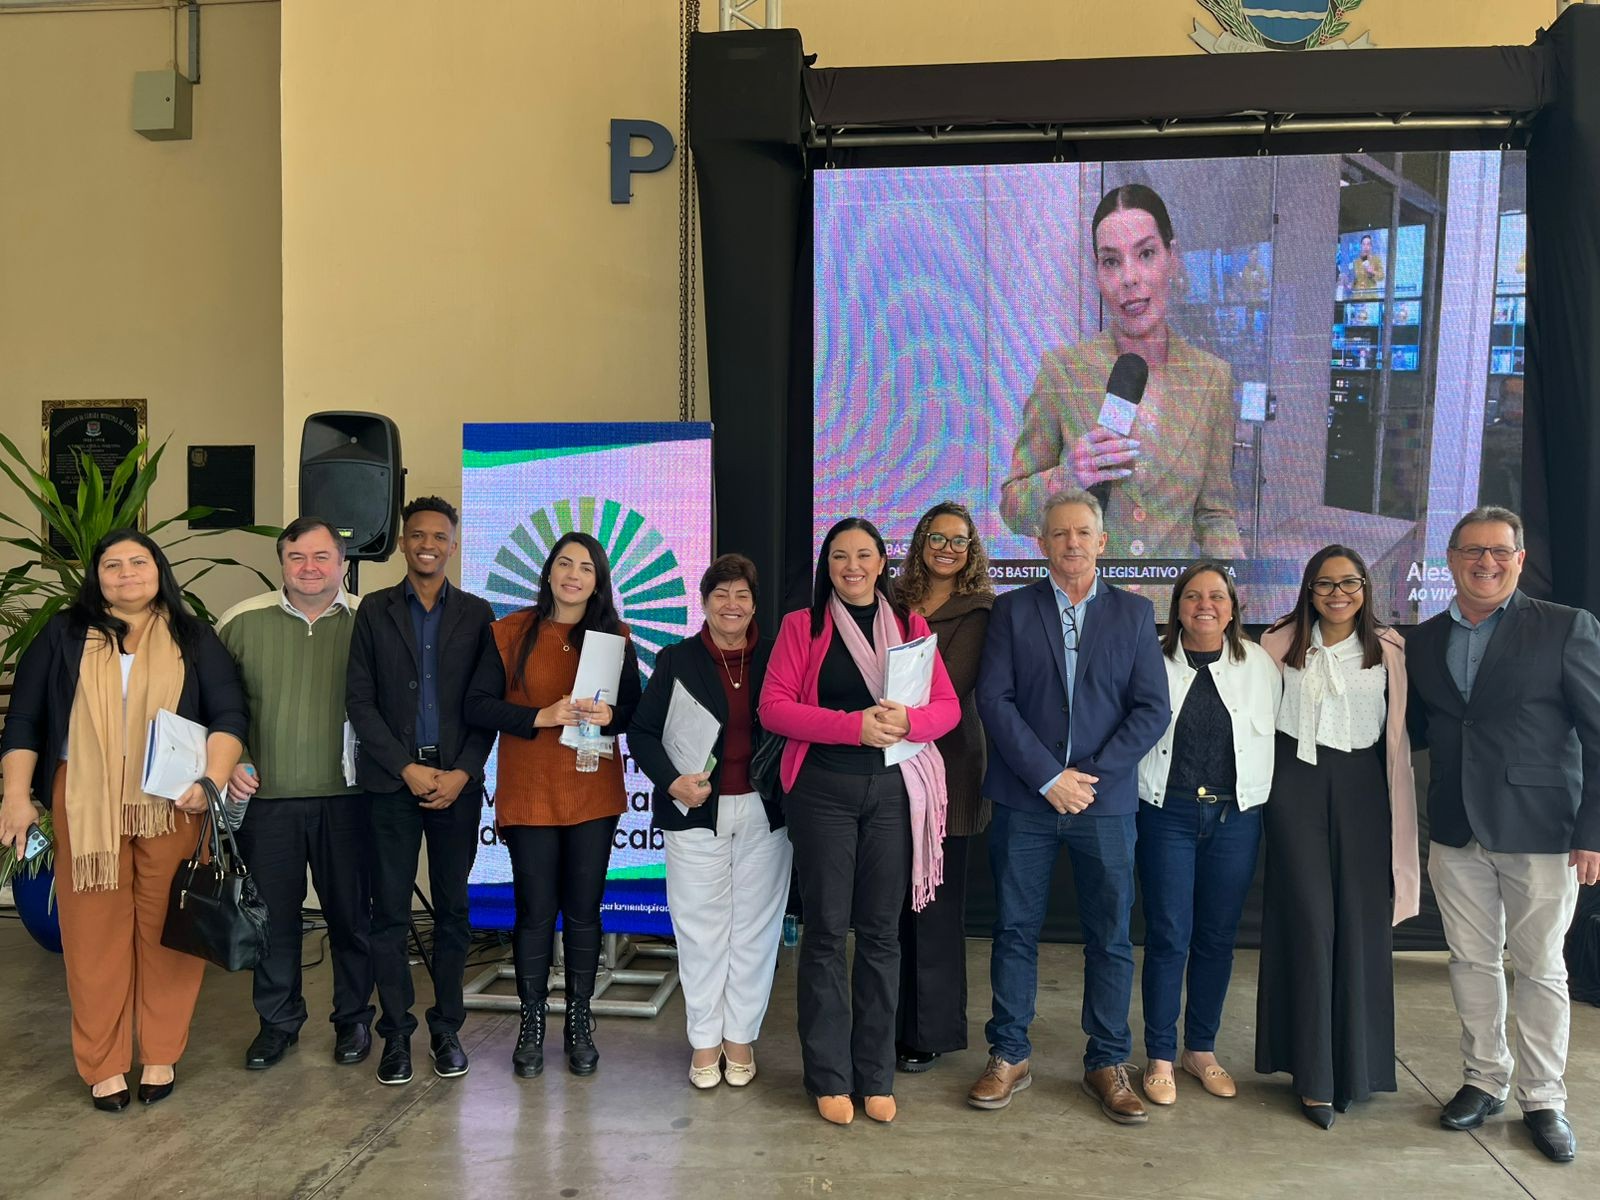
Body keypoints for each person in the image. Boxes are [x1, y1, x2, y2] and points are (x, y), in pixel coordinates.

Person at [0, 529, 247, 1111]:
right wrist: (15, 795)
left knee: (169, 930)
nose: (126, 573)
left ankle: (160, 1052)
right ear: (97, 576)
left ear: (158, 571)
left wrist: (209, 782)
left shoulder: (193, 637)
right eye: (113, 564)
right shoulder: (62, 635)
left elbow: (230, 714)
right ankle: (104, 1064)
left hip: (172, 803)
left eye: (139, 562)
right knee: (92, 937)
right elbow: (26, 719)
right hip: (84, 800)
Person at [1407, 506, 1600, 1164]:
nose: (1484, 562)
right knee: (1470, 961)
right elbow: (1417, 731)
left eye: (1499, 551)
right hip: (1456, 829)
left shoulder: (1565, 629)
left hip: (1543, 832)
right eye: (1470, 551)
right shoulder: (1425, 639)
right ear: (1451, 560)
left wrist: (1593, 831)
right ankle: (1484, 1079)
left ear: (1519, 559)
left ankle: (1544, 1098)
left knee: (1542, 968)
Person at [969, 488, 1168, 1123]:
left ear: (1103, 542)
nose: (1072, 544)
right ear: (1041, 544)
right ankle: (1009, 1054)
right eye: (1059, 534)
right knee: (1014, 929)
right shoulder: (1010, 610)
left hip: (1104, 806)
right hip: (1026, 801)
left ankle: (1108, 1062)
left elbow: (1151, 710)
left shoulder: (1136, 616)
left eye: (1083, 533)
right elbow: (994, 702)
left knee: (1110, 937)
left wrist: (1085, 778)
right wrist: (1048, 777)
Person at [759, 517, 960, 1126]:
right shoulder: (804, 626)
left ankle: (875, 1075)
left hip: (893, 794)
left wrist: (908, 723)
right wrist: (853, 726)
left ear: (881, 564)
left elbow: (946, 708)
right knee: (825, 934)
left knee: (879, 936)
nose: (852, 565)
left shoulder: (913, 628)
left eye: (864, 555)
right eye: (840, 555)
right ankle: (828, 1077)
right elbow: (774, 708)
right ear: (829, 564)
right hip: (823, 792)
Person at [463, 532, 642, 1079]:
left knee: (585, 913)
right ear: (547, 573)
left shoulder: (613, 637)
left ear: (598, 580)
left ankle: (580, 1021)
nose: (573, 575)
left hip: (592, 792)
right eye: (564, 564)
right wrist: (541, 715)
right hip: (532, 793)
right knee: (535, 913)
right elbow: (476, 704)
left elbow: (631, 707)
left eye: (585, 568)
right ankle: (532, 1021)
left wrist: (611, 717)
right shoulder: (509, 633)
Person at [1255, 545, 1417, 1128]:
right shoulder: (1275, 645)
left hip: (1363, 788)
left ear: (1366, 588)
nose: (1337, 594)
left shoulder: (1392, 650)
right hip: (1292, 786)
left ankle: (1357, 1068)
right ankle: (1312, 1075)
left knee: (1359, 924)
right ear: (1308, 589)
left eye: (1349, 583)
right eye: (1325, 584)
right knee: (1310, 920)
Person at [999, 183, 1243, 560]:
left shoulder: (1211, 379)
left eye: (1145, 253)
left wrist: (1231, 579)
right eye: (1111, 261)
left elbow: (1214, 514)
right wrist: (1069, 477)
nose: (1129, 278)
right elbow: (1013, 509)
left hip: (1168, 614)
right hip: (1082, 609)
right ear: (1097, 272)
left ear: (1172, 257)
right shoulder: (1063, 372)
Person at [346, 496, 500, 1086]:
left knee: (455, 912)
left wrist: (462, 772)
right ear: (403, 543)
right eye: (417, 536)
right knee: (388, 912)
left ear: (454, 545)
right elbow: (359, 701)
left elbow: (485, 703)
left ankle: (447, 1029)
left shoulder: (478, 613)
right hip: (391, 784)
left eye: (439, 536)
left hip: (457, 784)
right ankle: (396, 1036)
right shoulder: (374, 611)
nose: (428, 544)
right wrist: (406, 767)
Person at [628, 553, 790, 1089]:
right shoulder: (676, 659)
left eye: (742, 594)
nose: (732, 604)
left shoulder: (776, 656)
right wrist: (671, 780)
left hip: (765, 811)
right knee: (700, 931)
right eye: (721, 594)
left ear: (753, 603)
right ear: (703, 601)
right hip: (695, 809)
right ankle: (704, 1041)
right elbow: (643, 733)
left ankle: (740, 1036)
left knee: (755, 931)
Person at [217, 517, 374, 1071]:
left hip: (350, 799)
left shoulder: (369, 621)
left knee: (352, 918)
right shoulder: (239, 622)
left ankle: (354, 1021)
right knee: (274, 922)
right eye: (297, 557)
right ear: (281, 562)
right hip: (267, 802)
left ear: (343, 562)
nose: (310, 568)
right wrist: (231, 762)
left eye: (322, 557)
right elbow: (212, 707)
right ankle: (278, 1023)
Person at [1134, 561, 1280, 1106]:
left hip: (1236, 817)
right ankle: (1160, 1055)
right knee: (1170, 935)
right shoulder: (1151, 659)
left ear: (1233, 606)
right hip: (1166, 812)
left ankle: (1202, 1049)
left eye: (1217, 596)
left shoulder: (1259, 664)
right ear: (1176, 607)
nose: (1204, 605)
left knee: (1217, 937)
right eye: (1192, 596)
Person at [891, 502, 995, 1073]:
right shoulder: (892, 599)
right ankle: (887, 1016)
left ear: (972, 547)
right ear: (921, 541)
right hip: (888, 767)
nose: (947, 548)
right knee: (890, 909)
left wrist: (891, 703)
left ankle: (927, 1029)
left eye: (959, 540)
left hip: (949, 772)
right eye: (937, 537)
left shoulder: (979, 609)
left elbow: (948, 687)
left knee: (935, 906)